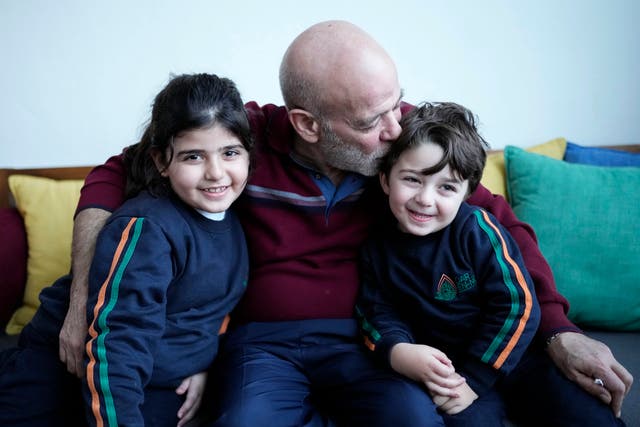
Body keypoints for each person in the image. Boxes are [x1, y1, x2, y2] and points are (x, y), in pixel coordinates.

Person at [58, 20, 632, 425]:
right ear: (308, 124)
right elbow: (113, 176)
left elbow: (501, 225)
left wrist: (559, 330)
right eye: (370, 119)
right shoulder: (239, 146)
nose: (394, 127)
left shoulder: (405, 152)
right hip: (262, 346)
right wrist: (84, 292)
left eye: (395, 103)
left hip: (369, 339)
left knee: (414, 418)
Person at [0, 73, 253, 427]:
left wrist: (202, 364)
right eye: (193, 157)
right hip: (71, 370)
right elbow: (116, 349)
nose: (216, 172)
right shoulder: (148, 228)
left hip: (158, 380)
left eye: (230, 153)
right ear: (162, 162)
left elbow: (211, 310)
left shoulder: (238, 217)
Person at [356, 102, 625, 426]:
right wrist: (398, 351)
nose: (426, 198)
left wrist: (477, 378)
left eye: (446, 187)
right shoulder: (376, 248)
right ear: (385, 180)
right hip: (448, 374)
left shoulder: (479, 231)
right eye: (412, 180)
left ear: (468, 191)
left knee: (584, 414)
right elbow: (376, 312)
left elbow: (518, 305)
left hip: (519, 358)